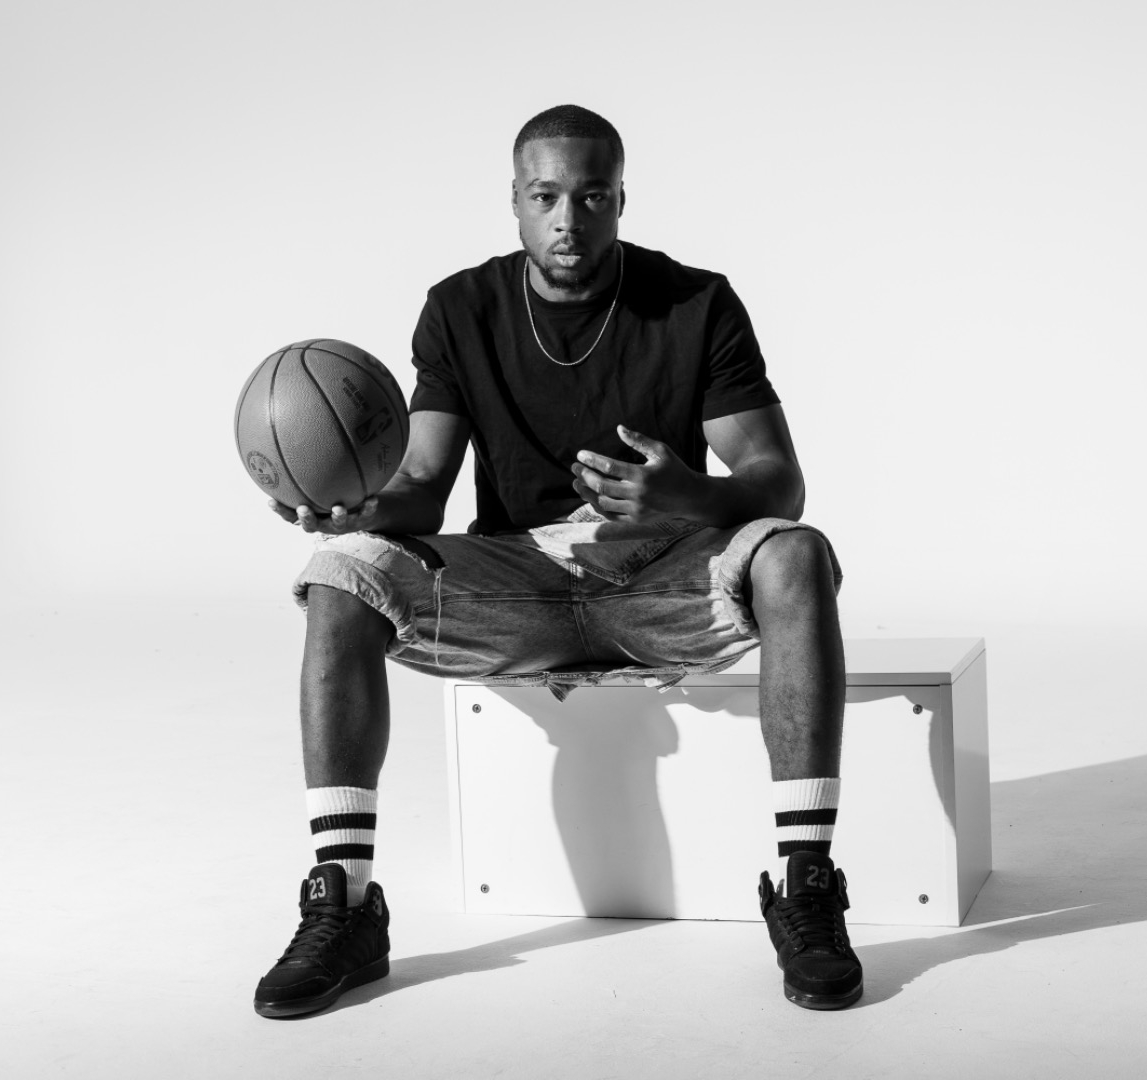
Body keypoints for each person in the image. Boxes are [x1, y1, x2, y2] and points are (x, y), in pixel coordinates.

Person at [254, 104, 860, 1017]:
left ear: (621, 199)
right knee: (341, 572)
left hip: (665, 571)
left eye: (591, 196)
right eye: (545, 197)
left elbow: (780, 483)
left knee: (797, 554)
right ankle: (343, 904)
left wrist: (685, 496)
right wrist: (354, 509)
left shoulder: (695, 303)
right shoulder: (460, 308)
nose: (567, 220)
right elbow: (423, 483)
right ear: (514, 200)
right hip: (519, 580)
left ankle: (806, 884)